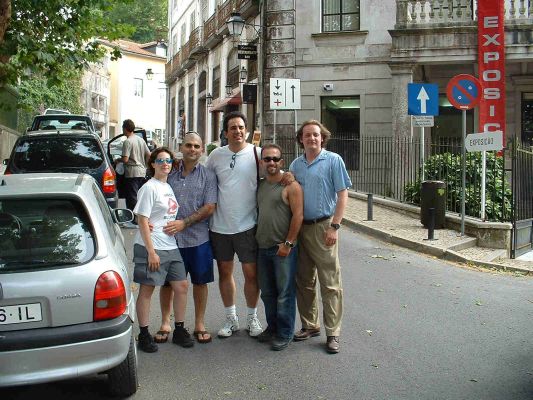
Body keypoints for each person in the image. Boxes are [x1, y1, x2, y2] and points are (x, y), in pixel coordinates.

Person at [289, 120, 352, 354]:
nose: (312, 138)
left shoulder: (333, 160)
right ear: (301, 139)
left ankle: (333, 333)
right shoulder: (296, 165)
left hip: (324, 226)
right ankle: (309, 324)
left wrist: (335, 226)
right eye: (307, 135)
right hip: (301, 229)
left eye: (315, 135)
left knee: (330, 282)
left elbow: (343, 194)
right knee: (304, 281)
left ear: (322, 138)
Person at [154, 132, 217, 344]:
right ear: (181, 147)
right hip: (168, 240)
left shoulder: (208, 176)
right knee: (167, 284)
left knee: (200, 282)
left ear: (202, 150)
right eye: (188, 145)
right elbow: (154, 197)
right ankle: (165, 322)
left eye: (196, 146)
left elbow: (209, 207)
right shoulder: (168, 172)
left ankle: (199, 323)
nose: (192, 149)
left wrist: (185, 223)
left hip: (197, 239)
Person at [206, 111, 263, 338]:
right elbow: (204, 184)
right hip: (220, 226)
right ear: (225, 132)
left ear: (246, 130)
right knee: (224, 272)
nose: (237, 131)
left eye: (241, 127)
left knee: (251, 273)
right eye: (233, 128)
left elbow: (274, 177)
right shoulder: (216, 156)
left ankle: (252, 317)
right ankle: (231, 318)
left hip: (248, 225)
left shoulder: (258, 154)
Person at [133, 147, 193, 352]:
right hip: (152, 246)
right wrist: (151, 251)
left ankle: (179, 329)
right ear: (152, 164)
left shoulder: (167, 186)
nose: (165, 164)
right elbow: (142, 219)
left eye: (168, 161)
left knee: (181, 286)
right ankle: (143, 334)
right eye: (160, 161)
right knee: (147, 289)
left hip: (170, 245)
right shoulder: (149, 187)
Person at [255, 144, 303, 351]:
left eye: (275, 159)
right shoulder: (261, 184)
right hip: (262, 247)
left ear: (281, 162)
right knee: (267, 293)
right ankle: (272, 327)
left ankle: (285, 333)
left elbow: (298, 215)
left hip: (282, 249)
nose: (271, 162)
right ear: (261, 162)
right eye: (267, 159)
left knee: (284, 293)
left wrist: (288, 243)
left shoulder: (291, 186)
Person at [119, 119, 150, 228]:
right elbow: (149, 154)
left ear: (125, 128)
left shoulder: (128, 141)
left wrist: (118, 160)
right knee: (140, 197)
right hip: (142, 172)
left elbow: (126, 159)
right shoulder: (140, 140)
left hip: (131, 172)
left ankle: (135, 221)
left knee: (132, 197)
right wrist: (146, 165)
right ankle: (142, 218)